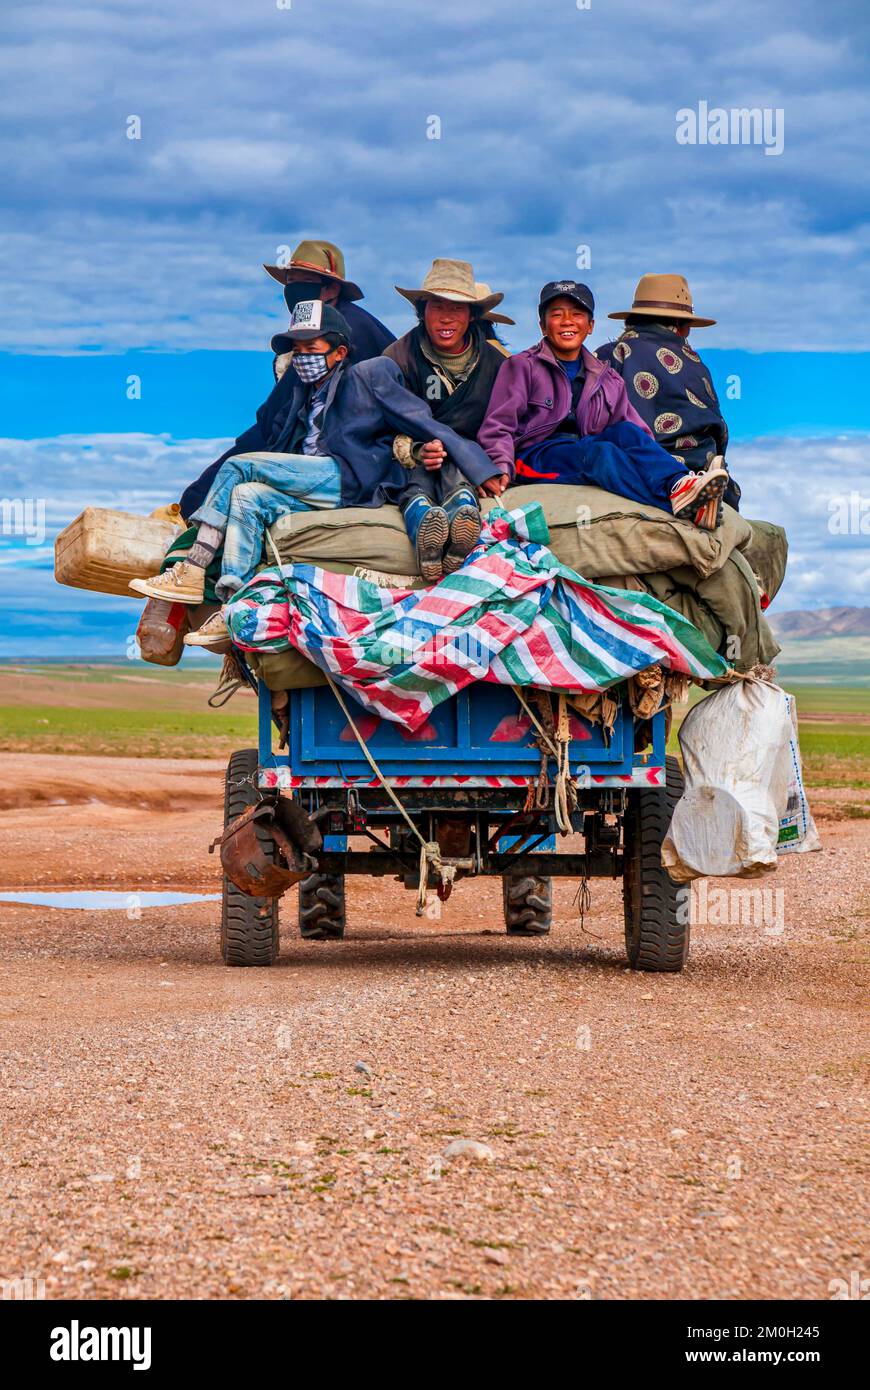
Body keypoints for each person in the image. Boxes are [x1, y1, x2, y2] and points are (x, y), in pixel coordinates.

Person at [131, 302, 502, 646]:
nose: (303, 357)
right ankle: (234, 607)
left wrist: (480, 468)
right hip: (314, 484)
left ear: (340, 352)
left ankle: (192, 567)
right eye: (298, 349)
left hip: (351, 477)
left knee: (241, 466)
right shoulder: (303, 391)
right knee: (248, 497)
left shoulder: (370, 374)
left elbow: (425, 422)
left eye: (312, 348)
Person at [477, 280, 729, 528]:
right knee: (602, 454)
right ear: (543, 326)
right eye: (557, 315)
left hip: (584, 449)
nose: (567, 321)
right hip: (536, 456)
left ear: (590, 326)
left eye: (577, 314)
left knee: (626, 432)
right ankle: (674, 505)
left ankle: (680, 484)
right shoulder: (522, 366)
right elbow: (499, 425)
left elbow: (637, 432)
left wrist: (651, 461)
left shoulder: (608, 378)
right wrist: (499, 467)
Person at [383, 258, 513, 580]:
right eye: (436, 306)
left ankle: (463, 515)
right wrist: (413, 450)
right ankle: (423, 523)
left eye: (457, 308)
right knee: (419, 478)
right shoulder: (397, 358)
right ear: (422, 310)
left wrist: (496, 465)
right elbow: (378, 427)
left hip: (469, 460)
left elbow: (504, 424)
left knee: (457, 466)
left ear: (472, 315)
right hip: (411, 460)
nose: (445, 317)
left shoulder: (497, 364)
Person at [596, 273, 740, 510]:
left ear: (632, 320)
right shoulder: (697, 365)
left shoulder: (611, 354)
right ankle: (696, 495)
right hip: (703, 467)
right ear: (682, 328)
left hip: (640, 466)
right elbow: (720, 434)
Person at [264, 238, 395, 367]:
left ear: (333, 289)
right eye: (291, 281)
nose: (296, 289)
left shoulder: (352, 329)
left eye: (307, 281)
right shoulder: (307, 326)